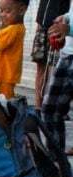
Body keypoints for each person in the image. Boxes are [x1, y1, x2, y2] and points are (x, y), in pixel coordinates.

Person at [42, 5, 73, 154]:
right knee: (50, 110)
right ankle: (57, 163)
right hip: (67, 55)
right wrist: (65, 18)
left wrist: (70, 30)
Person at [31, 0, 70, 110]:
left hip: (58, 28)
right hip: (42, 28)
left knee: (57, 69)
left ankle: (57, 106)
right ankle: (38, 105)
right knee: (40, 66)